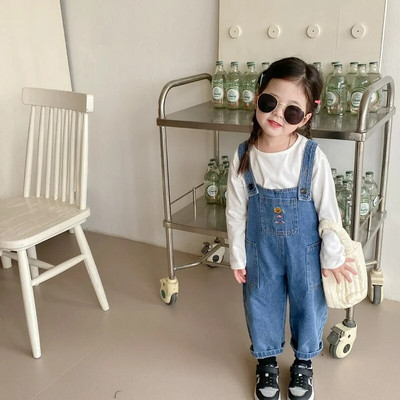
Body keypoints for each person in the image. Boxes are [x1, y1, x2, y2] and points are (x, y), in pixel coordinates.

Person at [225, 57, 357, 400]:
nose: (277, 114)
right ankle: (266, 360)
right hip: (261, 251)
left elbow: (329, 212)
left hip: (306, 252)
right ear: (257, 99)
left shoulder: (311, 156)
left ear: (306, 118)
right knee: (260, 301)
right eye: (270, 102)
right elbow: (236, 211)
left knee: (308, 303)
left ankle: (303, 362)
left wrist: (332, 256)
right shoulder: (244, 155)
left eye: (292, 111)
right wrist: (237, 254)